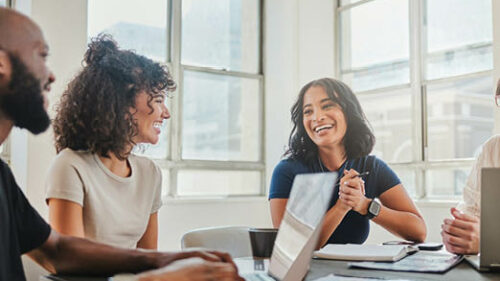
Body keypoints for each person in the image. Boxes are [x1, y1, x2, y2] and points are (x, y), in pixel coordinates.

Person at [0, 7, 241, 281]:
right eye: (41, 55)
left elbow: (58, 251)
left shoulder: (2, 177)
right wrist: (162, 277)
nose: (51, 75)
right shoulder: (71, 165)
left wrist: (167, 259)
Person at [45, 35, 170, 250]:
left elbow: (148, 258)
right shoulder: (70, 166)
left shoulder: (150, 173)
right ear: (123, 103)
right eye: (158, 101)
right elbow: (72, 261)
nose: (165, 114)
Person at [269, 78, 427, 247]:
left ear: (348, 113)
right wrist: (341, 207)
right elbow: (290, 246)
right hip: (306, 272)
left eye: (327, 105)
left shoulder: (371, 167)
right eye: (308, 111)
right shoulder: (287, 171)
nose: (317, 117)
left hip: (354, 271)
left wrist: (365, 205)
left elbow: (419, 232)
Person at [441, 79, 500, 255]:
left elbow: (486, 239)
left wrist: (489, 242)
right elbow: (472, 210)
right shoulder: (493, 149)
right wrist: (461, 233)